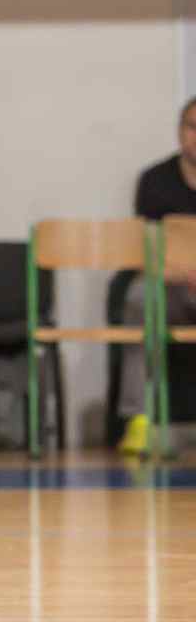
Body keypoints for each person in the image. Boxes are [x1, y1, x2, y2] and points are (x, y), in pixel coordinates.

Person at [118, 97, 196, 454]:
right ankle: (138, 420)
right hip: (169, 285)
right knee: (138, 297)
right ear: (180, 131)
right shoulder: (154, 181)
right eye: (192, 127)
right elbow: (144, 249)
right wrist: (179, 274)